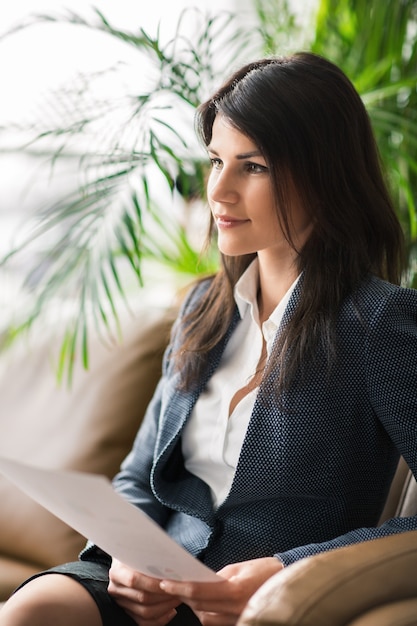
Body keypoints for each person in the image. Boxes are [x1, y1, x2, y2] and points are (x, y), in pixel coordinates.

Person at [1, 51, 417, 626]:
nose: (218, 191)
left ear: (325, 175)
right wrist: (125, 560)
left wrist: (286, 567)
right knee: (33, 609)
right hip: (156, 592)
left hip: (270, 601)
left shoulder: (381, 323)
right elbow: (139, 476)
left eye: (254, 166)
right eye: (216, 160)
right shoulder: (204, 308)